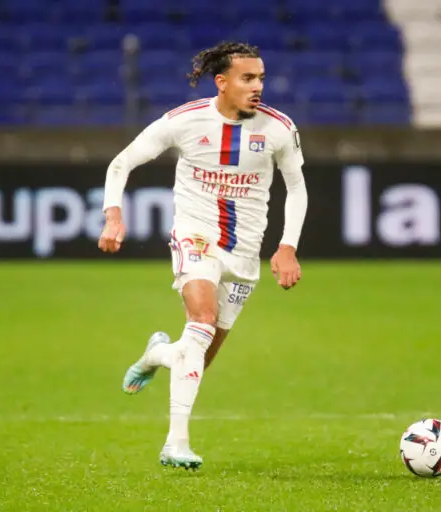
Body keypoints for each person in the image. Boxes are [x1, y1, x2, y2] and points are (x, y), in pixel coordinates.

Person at [97, 41, 308, 470]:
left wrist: (288, 246)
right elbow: (121, 163)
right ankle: (175, 444)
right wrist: (113, 214)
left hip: (244, 253)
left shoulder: (279, 129)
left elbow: (297, 189)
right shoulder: (185, 120)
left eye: (261, 78)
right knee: (202, 322)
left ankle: (158, 354)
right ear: (222, 82)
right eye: (247, 78)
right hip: (196, 235)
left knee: (198, 354)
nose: (257, 86)